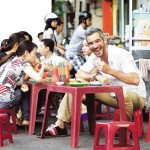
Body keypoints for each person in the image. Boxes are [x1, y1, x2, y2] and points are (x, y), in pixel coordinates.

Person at [37, 27, 146, 137]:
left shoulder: (121, 54)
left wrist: (110, 71)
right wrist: (96, 76)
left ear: (105, 40)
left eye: (97, 41)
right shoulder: (95, 56)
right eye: (91, 43)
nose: (94, 46)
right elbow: (80, 73)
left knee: (124, 93)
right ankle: (60, 125)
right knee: (78, 82)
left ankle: (124, 129)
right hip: (113, 94)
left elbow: (135, 80)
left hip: (135, 96)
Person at [0, 40, 46, 126]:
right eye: (34, 54)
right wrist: (42, 66)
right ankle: (26, 118)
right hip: (4, 101)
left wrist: (21, 84)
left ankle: (21, 119)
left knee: (22, 87)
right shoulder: (23, 62)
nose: (35, 57)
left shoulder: (12, 60)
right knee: (24, 90)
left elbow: (18, 79)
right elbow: (39, 79)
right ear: (26, 53)